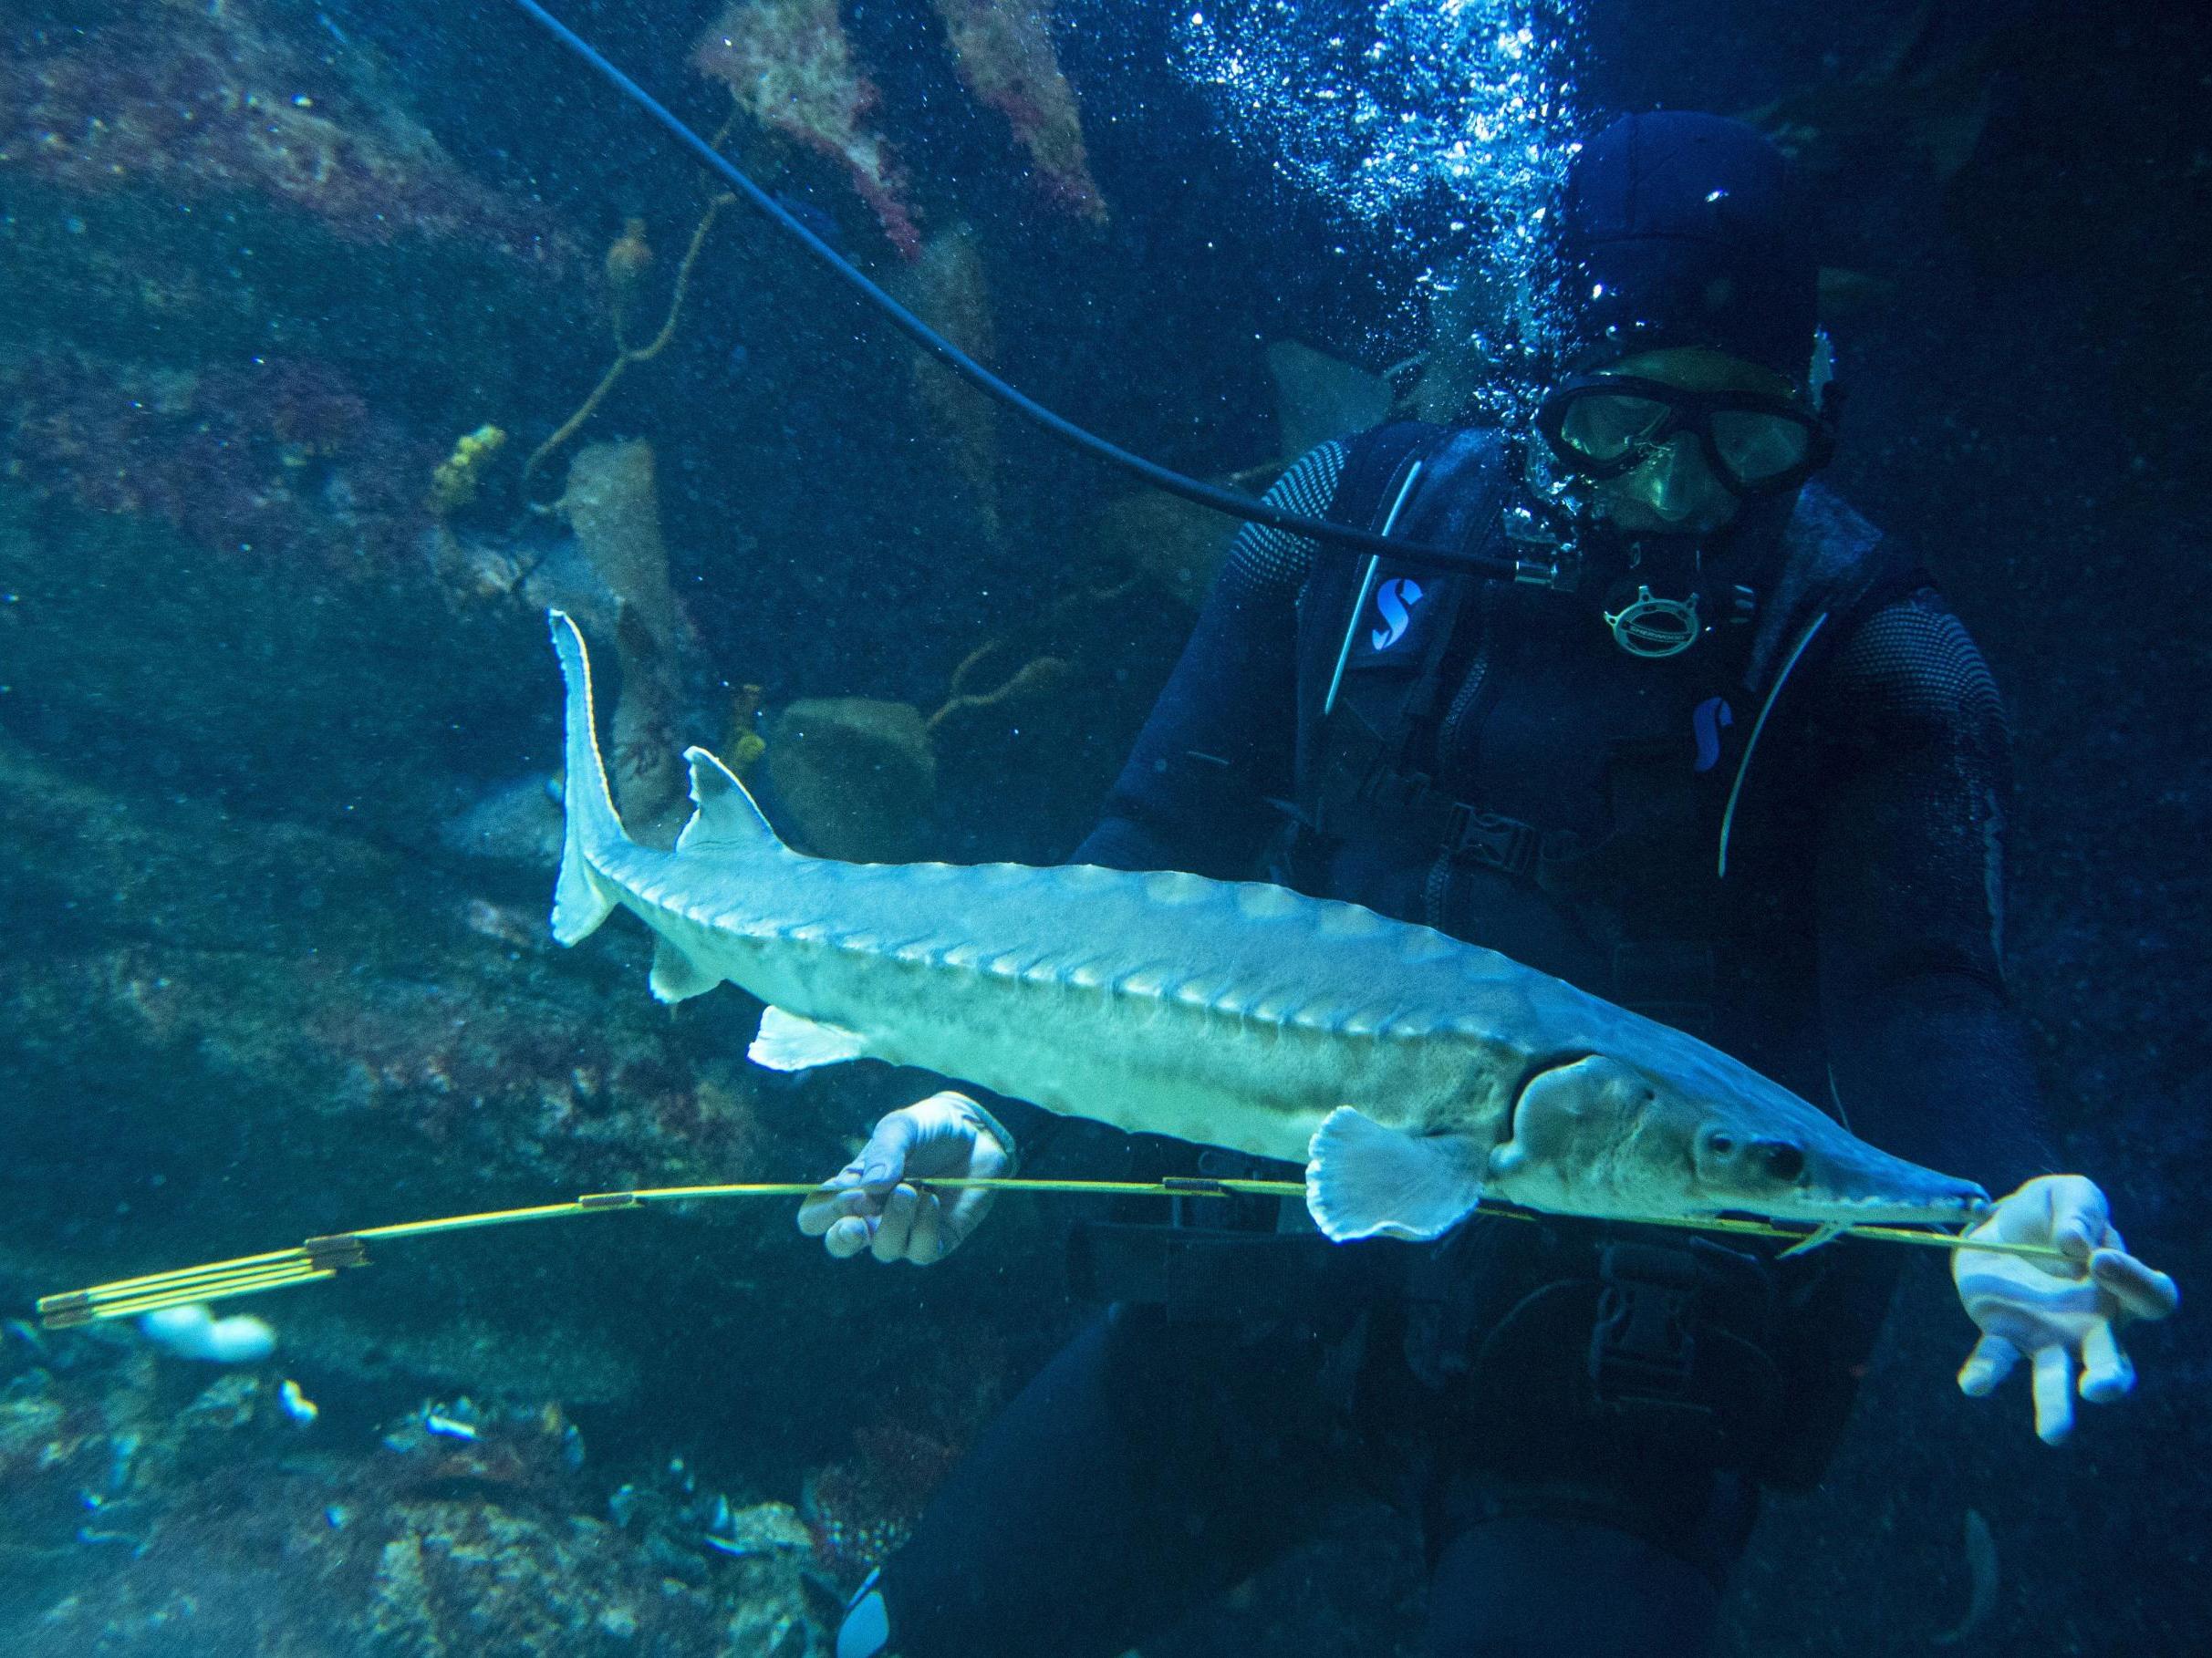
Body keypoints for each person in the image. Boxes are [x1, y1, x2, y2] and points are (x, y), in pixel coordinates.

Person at [799, 112, 2178, 1658]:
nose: (1677, 485)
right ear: (1534, 379)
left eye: (1750, 435)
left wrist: (2002, 1190)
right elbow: (1146, 853)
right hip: (1253, 1306)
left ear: (1816, 405)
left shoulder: (1876, 653)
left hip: (1606, 1402)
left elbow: (1922, 993)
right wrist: (984, 1097)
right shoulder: (1337, 525)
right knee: (900, 1642)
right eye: (1622, 421)